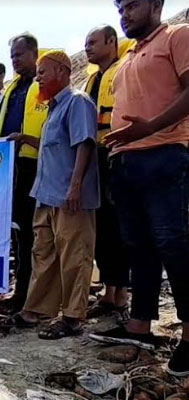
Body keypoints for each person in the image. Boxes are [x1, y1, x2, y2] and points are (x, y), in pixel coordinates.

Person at [88, 0, 189, 377]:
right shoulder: (131, 56)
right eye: (119, 8)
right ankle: (139, 324)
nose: (124, 13)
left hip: (164, 154)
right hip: (125, 162)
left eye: (131, 5)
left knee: (173, 243)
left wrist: (151, 127)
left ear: (156, 4)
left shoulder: (177, 37)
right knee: (139, 246)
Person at [5, 50, 99, 340]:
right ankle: (37, 311)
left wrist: (75, 187)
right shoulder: (53, 109)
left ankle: (72, 318)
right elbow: (52, 147)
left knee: (74, 256)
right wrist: (24, 139)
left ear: (61, 71)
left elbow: (84, 144)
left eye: (43, 72)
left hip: (69, 197)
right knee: (43, 253)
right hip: (45, 195)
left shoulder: (77, 102)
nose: (38, 78)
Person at [0, 33, 49, 313]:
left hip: (35, 165)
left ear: (34, 53)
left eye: (19, 54)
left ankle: (32, 296)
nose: (15, 60)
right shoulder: (13, 88)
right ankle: (20, 291)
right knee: (16, 232)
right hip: (8, 168)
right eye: (12, 55)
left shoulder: (44, 84)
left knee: (32, 233)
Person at [83, 25, 135, 322]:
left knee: (120, 224)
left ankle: (122, 292)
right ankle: (108, 288)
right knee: (101, 224)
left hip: (120, 151)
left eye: (93, 42)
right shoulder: (92, 79)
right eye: (85, 43)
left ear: (111, 42)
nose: (87, 47)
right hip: (95, 156)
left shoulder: (125, 68)